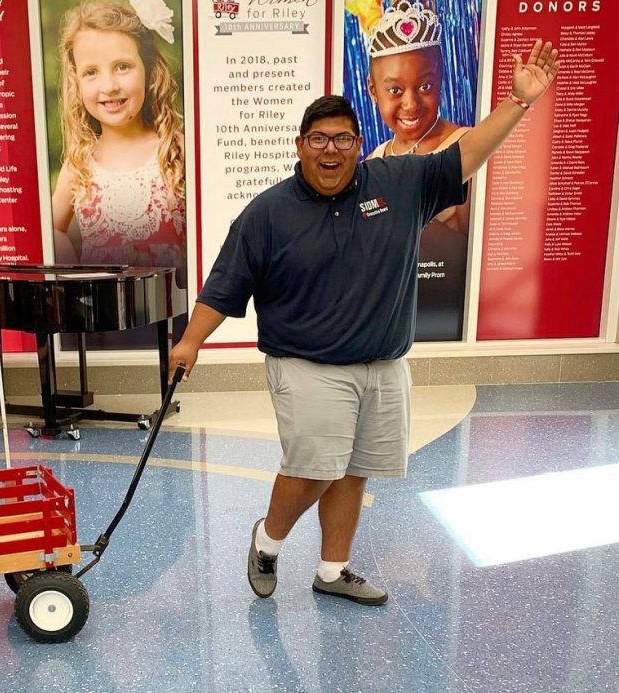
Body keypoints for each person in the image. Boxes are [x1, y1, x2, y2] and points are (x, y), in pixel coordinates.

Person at [168, 40, 559, 604]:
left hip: (384, 364)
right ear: (300, 146)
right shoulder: (268, 213)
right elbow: (224, 286)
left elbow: (468, 153)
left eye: (343, 139)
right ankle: (268, 539)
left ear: (358, 146)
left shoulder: (398, 184)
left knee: (353, 471)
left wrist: (519, 103)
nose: (331, 150)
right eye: (319, 139)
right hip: (308, 365)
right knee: (313, 469)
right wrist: (190, 343)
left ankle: (332, 571)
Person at [51, 0, 185, 287]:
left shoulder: (175, 151)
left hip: (173, 318)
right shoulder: (79, 164)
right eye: (91, 72)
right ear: (76, 81)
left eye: (122, 67)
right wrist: (73, 270)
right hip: (104, 322)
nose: (109, 85)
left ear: (149, 69)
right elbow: (52, 228)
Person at [361, 0, 473, 339]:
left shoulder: (465, 148)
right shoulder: (373, 162)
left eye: (425, 86)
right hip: (388, 323)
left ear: (440, 80)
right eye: (395, 90)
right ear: (373, 91)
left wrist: (399, 214)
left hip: (445, 319)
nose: (410, 103)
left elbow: (473, 256)